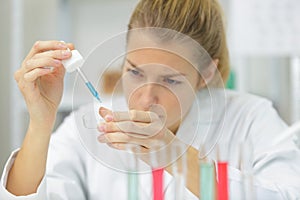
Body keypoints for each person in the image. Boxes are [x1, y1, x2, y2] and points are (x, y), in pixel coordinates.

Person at [1, 0, 300, 199]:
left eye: (170, 80)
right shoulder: (92, 124)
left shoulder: (249, 118)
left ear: (206, 72)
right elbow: (24, 195)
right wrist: (40, 123)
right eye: (134, 72)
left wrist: (174, 154)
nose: (145, 98)